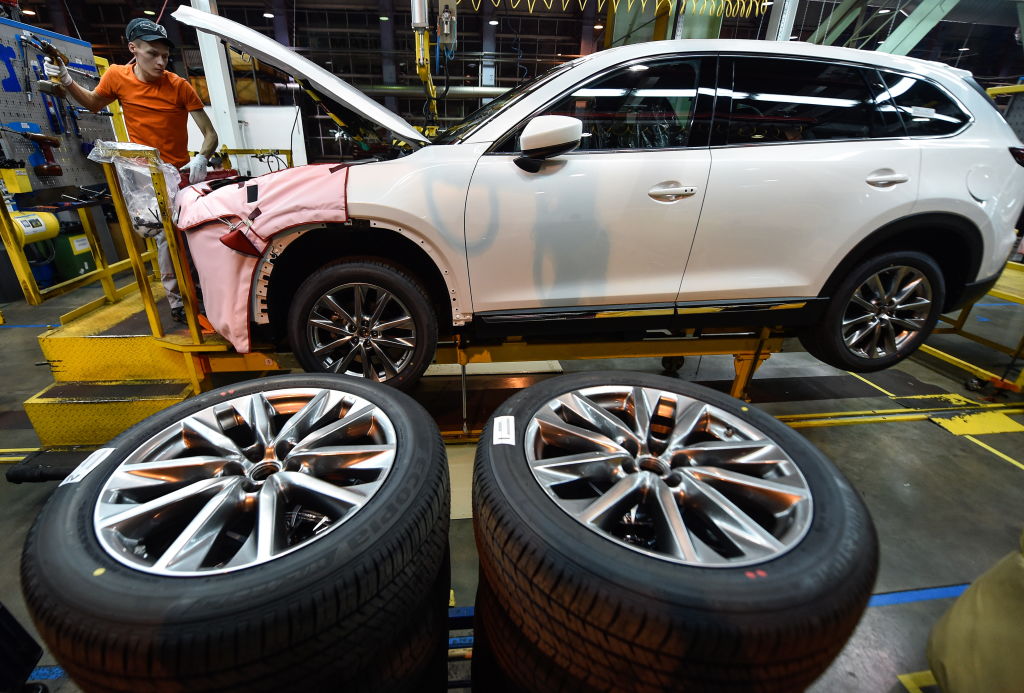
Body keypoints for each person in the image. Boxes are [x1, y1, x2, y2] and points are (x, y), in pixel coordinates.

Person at [46, 17, 218, 324]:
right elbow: (94, 103)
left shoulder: (180, 87)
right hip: (144, 174)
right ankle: (178, 300)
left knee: (191, 230)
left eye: (165, 55)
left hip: (178, 171)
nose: (161, 62)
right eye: (153, 54)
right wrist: (67, 80)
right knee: (163, 235)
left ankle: (205, 290)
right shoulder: (116, 76)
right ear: (133, 49)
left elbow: (210, 135)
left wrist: (202, 158)